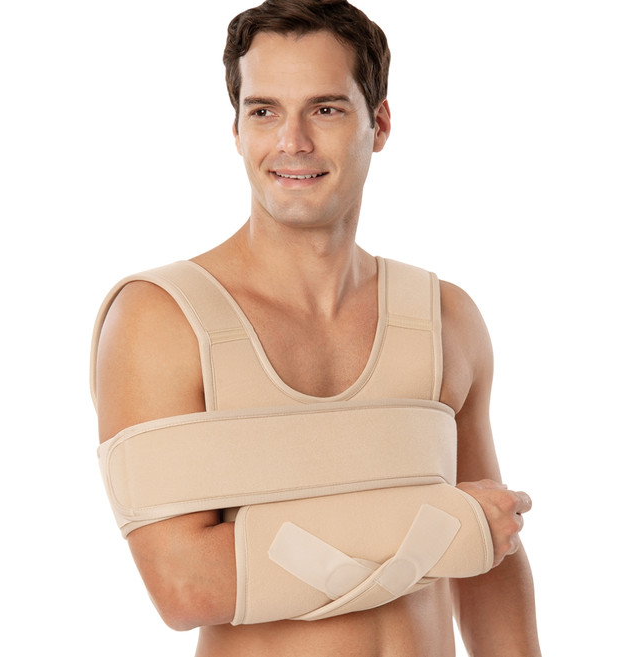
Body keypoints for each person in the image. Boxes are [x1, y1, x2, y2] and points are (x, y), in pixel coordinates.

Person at [92, 1, 541, 655]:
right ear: (237, 129)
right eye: (264, 111)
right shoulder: (162, 319)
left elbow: (490, 551)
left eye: (325, 109)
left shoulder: (445, 318)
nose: (292, 141)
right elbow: (186, 585)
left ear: (379, 123)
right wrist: (449, 523)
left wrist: (465, 529)